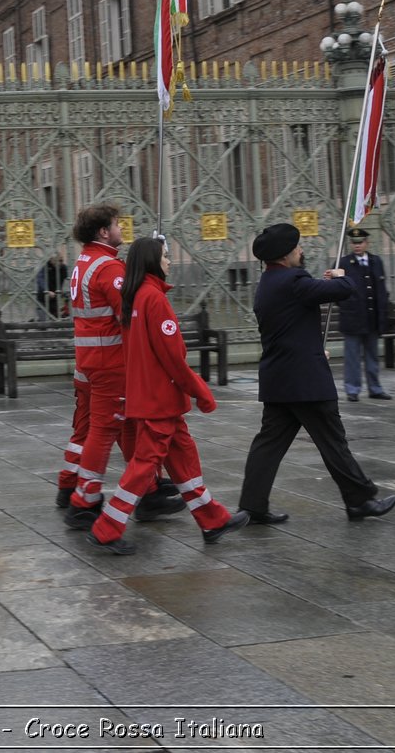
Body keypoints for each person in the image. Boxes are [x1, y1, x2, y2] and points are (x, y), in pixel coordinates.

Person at [85, 238, 250, 555]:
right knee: (144, 467)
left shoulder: (135, 297)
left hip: (153, 399)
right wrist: (201, 391)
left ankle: (212, 519)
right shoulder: (154, 299)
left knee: (184, 461)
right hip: (159, 400)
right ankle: (106, 528)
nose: (169, 261)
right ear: (151, 262)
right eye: (164, 256)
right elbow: (172, 358)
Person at [237, 223, 395, 523]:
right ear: (285, 256)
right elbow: (344, 290)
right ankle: (361, 499)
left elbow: (291, 326)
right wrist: (341, 276)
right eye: (297, 247)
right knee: (333, 441)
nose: (301, 251)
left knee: (268, 445)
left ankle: (252, 504)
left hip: (280, 377)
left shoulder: (268, 282)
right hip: (305, 381)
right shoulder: (294, 280)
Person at [58, 204, 180, 526]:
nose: (121, 230)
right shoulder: (108, 268)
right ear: (103, 232)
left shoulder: (86, 261)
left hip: (94, 359)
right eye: (117, 225)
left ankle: (147, 489)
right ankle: (85, 500)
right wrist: (152, 265)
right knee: (103, 430)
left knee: (126, 425)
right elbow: (131, 310)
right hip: (112, 361)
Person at [337, 228, 390, 401]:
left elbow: (381, 290)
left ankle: (375, 388)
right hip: (353, 317)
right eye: (354, 242)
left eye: (360, 242)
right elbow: (335, 290)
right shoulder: (344, 263)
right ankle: (352, 389)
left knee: (372, 356)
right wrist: (347, 305)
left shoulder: (376, 261)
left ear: (367, 243)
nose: (357, 246)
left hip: (372, 316)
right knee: (352, 357)